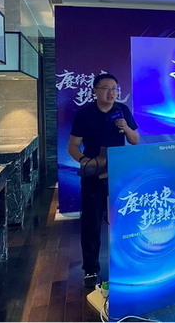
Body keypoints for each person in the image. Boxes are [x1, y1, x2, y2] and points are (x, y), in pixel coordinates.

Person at [67, 73, 139, 288]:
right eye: (106, 88)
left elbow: (135, 140)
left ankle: (129, 263)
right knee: (91, 221)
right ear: (95, 91)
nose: (111, 92)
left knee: (125, 218)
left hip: (119, 172)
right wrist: (86, 162)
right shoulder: (85, 114)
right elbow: (72, 146)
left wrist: (126, 127)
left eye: (114, 88)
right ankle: (90, 269)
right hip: (94, 175)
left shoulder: (122, 110)